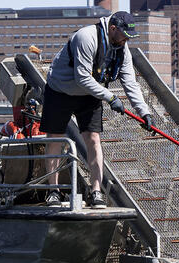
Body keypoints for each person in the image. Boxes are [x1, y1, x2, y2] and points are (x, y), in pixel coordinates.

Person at [40, 11, 153, 209]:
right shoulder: (86, 37)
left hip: (90, 95)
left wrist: (144, 111)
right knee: (56, 138)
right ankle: (53, 192)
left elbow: (130, 82)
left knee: (93, 139)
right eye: (125, 35)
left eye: (130, 37)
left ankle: (96, 192)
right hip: (60, 90)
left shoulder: (122, 49)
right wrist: (110, 97)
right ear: (112, 29)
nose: (126, 40)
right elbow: (82, 78)